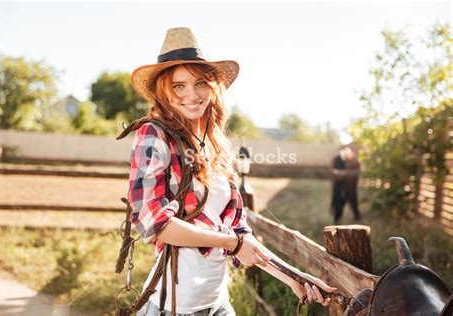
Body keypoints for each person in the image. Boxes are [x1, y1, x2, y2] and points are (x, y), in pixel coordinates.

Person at [126, 27, 336, 316]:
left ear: (212, 88)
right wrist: (231, 243)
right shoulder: (154, 134)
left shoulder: (217, 149)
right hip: (173, 308)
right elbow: (154, 223)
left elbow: (239, 232)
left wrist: (295, 278)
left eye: (200, 83)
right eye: (179, 85)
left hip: (218, 305)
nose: (192, 94)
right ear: (165, 91)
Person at [330, 148, 360, 223]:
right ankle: (337, 218)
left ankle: (356, 215)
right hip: (340, 184)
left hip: (349, 185)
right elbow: (334, 172)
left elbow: (356, 173)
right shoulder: (338, 159)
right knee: (339, 201)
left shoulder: (353, 160)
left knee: (351, 200)